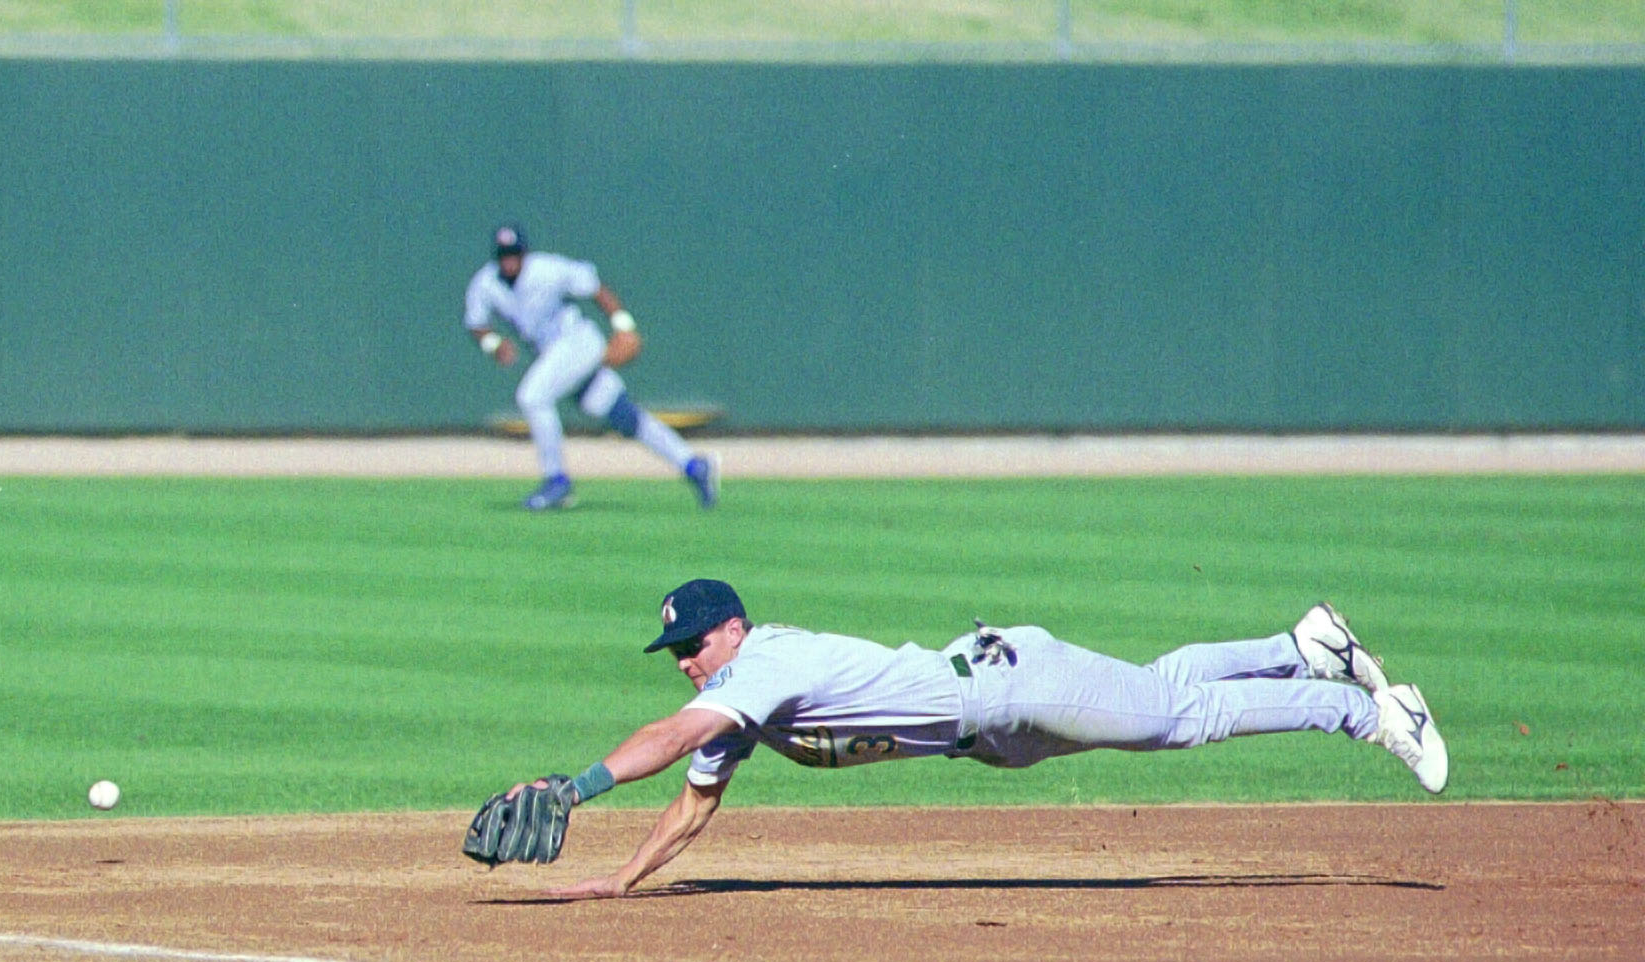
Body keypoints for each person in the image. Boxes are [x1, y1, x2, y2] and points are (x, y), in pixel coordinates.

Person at [512, 579, 1448, 901]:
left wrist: (578, 787)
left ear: (732, 630)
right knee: (1159, 692)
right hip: (994, 725)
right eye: (672, 650)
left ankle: (1368, 712)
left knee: (1175, 720)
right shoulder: (741, 691)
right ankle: (1300, 646)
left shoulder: (759, 669)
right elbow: (696, 799)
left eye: (691, 644)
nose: (682, 660)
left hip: (1008, 686)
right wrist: (624, 877)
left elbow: (671, 740)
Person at [464, 225, 718, 511]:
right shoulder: (486, 282)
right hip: (554, 355)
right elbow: (476, 324)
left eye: (513, 253)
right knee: (623, 416)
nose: (508, 260)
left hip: (577, 343)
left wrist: (623, 326)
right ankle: (695, 466)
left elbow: (595, 288)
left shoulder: (547, 269)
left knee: (532, 397)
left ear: (524, 253)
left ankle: (556, 481)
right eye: (503, 255)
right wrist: (493, 344)